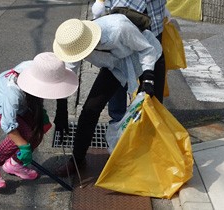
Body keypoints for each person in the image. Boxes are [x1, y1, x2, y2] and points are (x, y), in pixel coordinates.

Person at [53, 14, 162, 177]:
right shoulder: (73, 45)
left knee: (149, 110)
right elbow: (68, 75)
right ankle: (77, 159)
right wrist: (61, 109)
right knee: (90, 109)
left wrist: (148, 78)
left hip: (146, 59)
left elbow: (146, 49)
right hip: (115, 66)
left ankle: (152, 157)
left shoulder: (119, 28)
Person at [0, 52, 79, 188]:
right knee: (23, 133)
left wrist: (40, 113)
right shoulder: (13, 94)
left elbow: (36, 97)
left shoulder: (41, 68)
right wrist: (24, 146)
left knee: (39, 128)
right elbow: (9, 125)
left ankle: (15, 163)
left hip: (22, 104)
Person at [92, 0, 168, 123]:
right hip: (124, 12)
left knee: (151, 76)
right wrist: (101, 2)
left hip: (154, 14)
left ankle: (145, 123)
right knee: (118, 69)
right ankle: (118, 120)